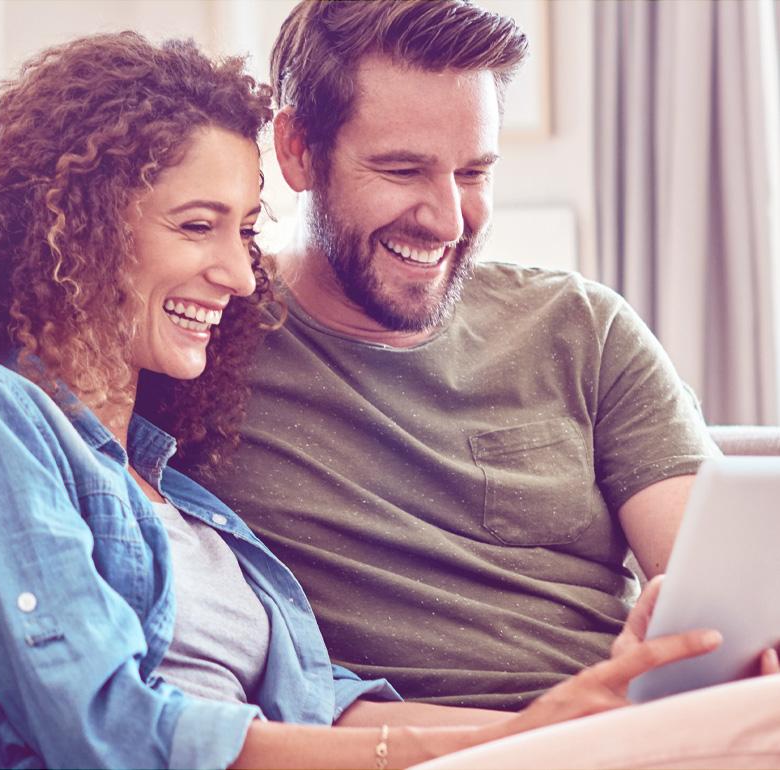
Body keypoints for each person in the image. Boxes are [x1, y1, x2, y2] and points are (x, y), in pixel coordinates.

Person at [0, 29, 733, 770]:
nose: (240, 272)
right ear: (73, 221)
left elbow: (323, 702)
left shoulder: (171, 481)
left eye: (246, 229)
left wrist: (562, 731)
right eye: (194, 225)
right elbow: (105, 731)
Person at [200, 0, 778, 715]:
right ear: (297, 150)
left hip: (639, 733)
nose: (447, 220)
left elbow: (720, 602)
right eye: (403, 169)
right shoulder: (201, 343)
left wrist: (737, 659)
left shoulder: (582, 328)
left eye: (474, 173)